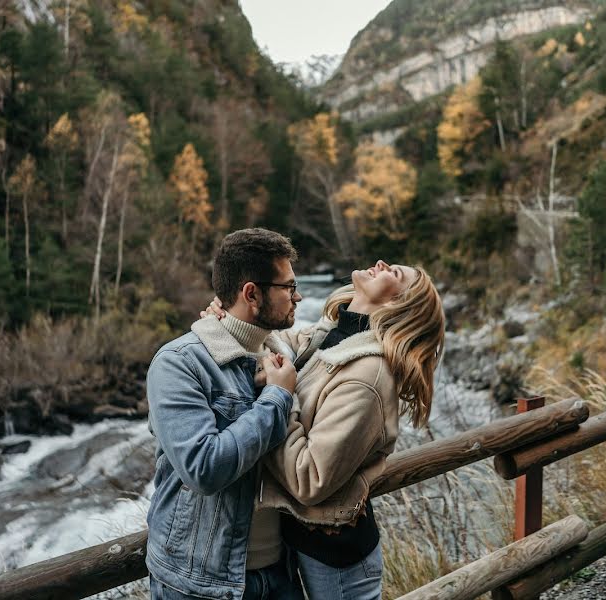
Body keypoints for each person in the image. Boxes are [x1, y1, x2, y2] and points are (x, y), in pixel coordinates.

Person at [206, 259, 445, 600]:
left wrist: (280, 397)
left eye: (395, 273)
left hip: (337, 560)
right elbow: (270, 346)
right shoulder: (335, 331)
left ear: (399, 303)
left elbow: (309, 479)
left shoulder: (368, 377)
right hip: (302, 541)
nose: (381, 263)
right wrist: (230, 322)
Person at [146, 228, 306, 600]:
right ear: (252, 293)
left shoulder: (279, 352)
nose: (297, 296)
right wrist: (276, 397)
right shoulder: (179, 363)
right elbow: (204, 467)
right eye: (288, 286)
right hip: (201, 583)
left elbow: (331, 329)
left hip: (282, 572)